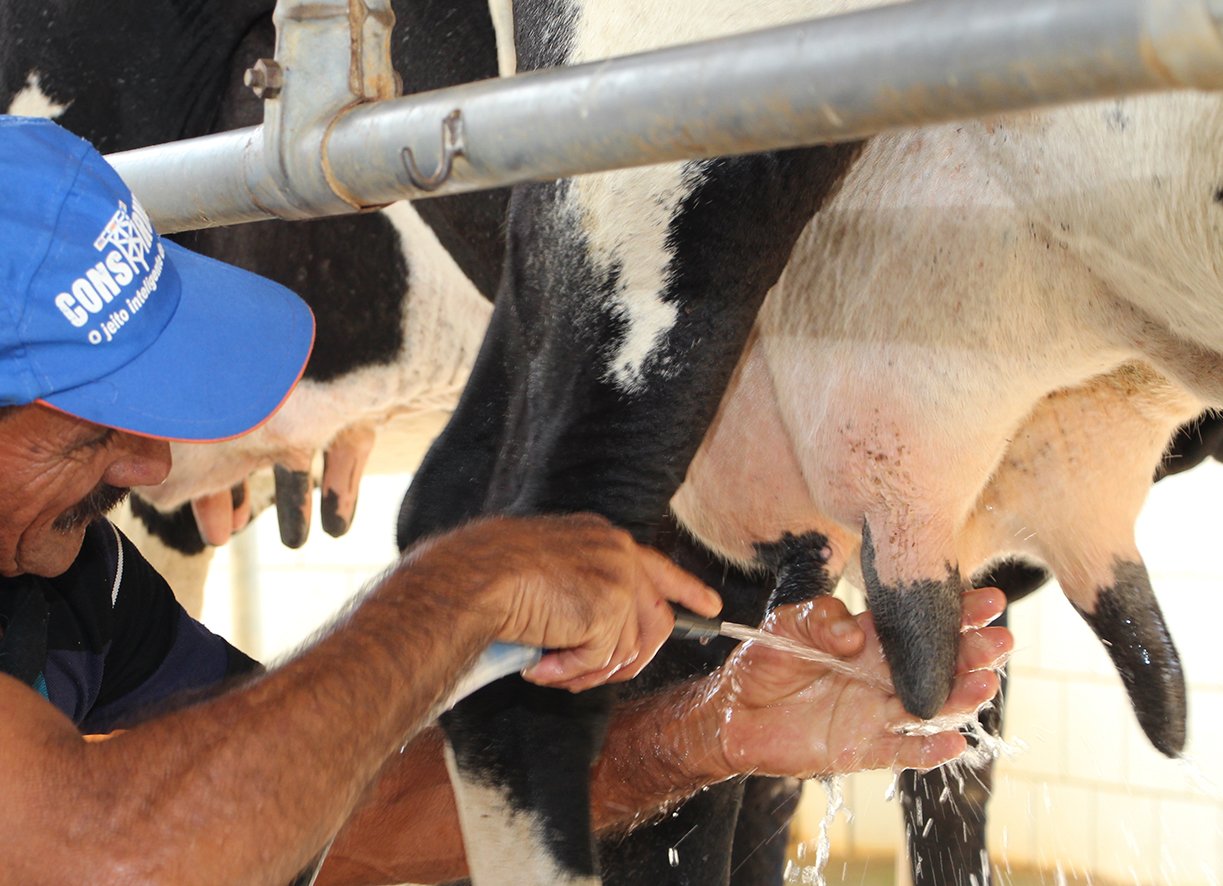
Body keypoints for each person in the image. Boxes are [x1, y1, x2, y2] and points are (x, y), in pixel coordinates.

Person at [0, 115, 1012, 884]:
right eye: (93, 426)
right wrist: (456, 590)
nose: (144, 466)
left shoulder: (74, 583)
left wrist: (711, 730)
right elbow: (110, 849)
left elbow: (321, 811)